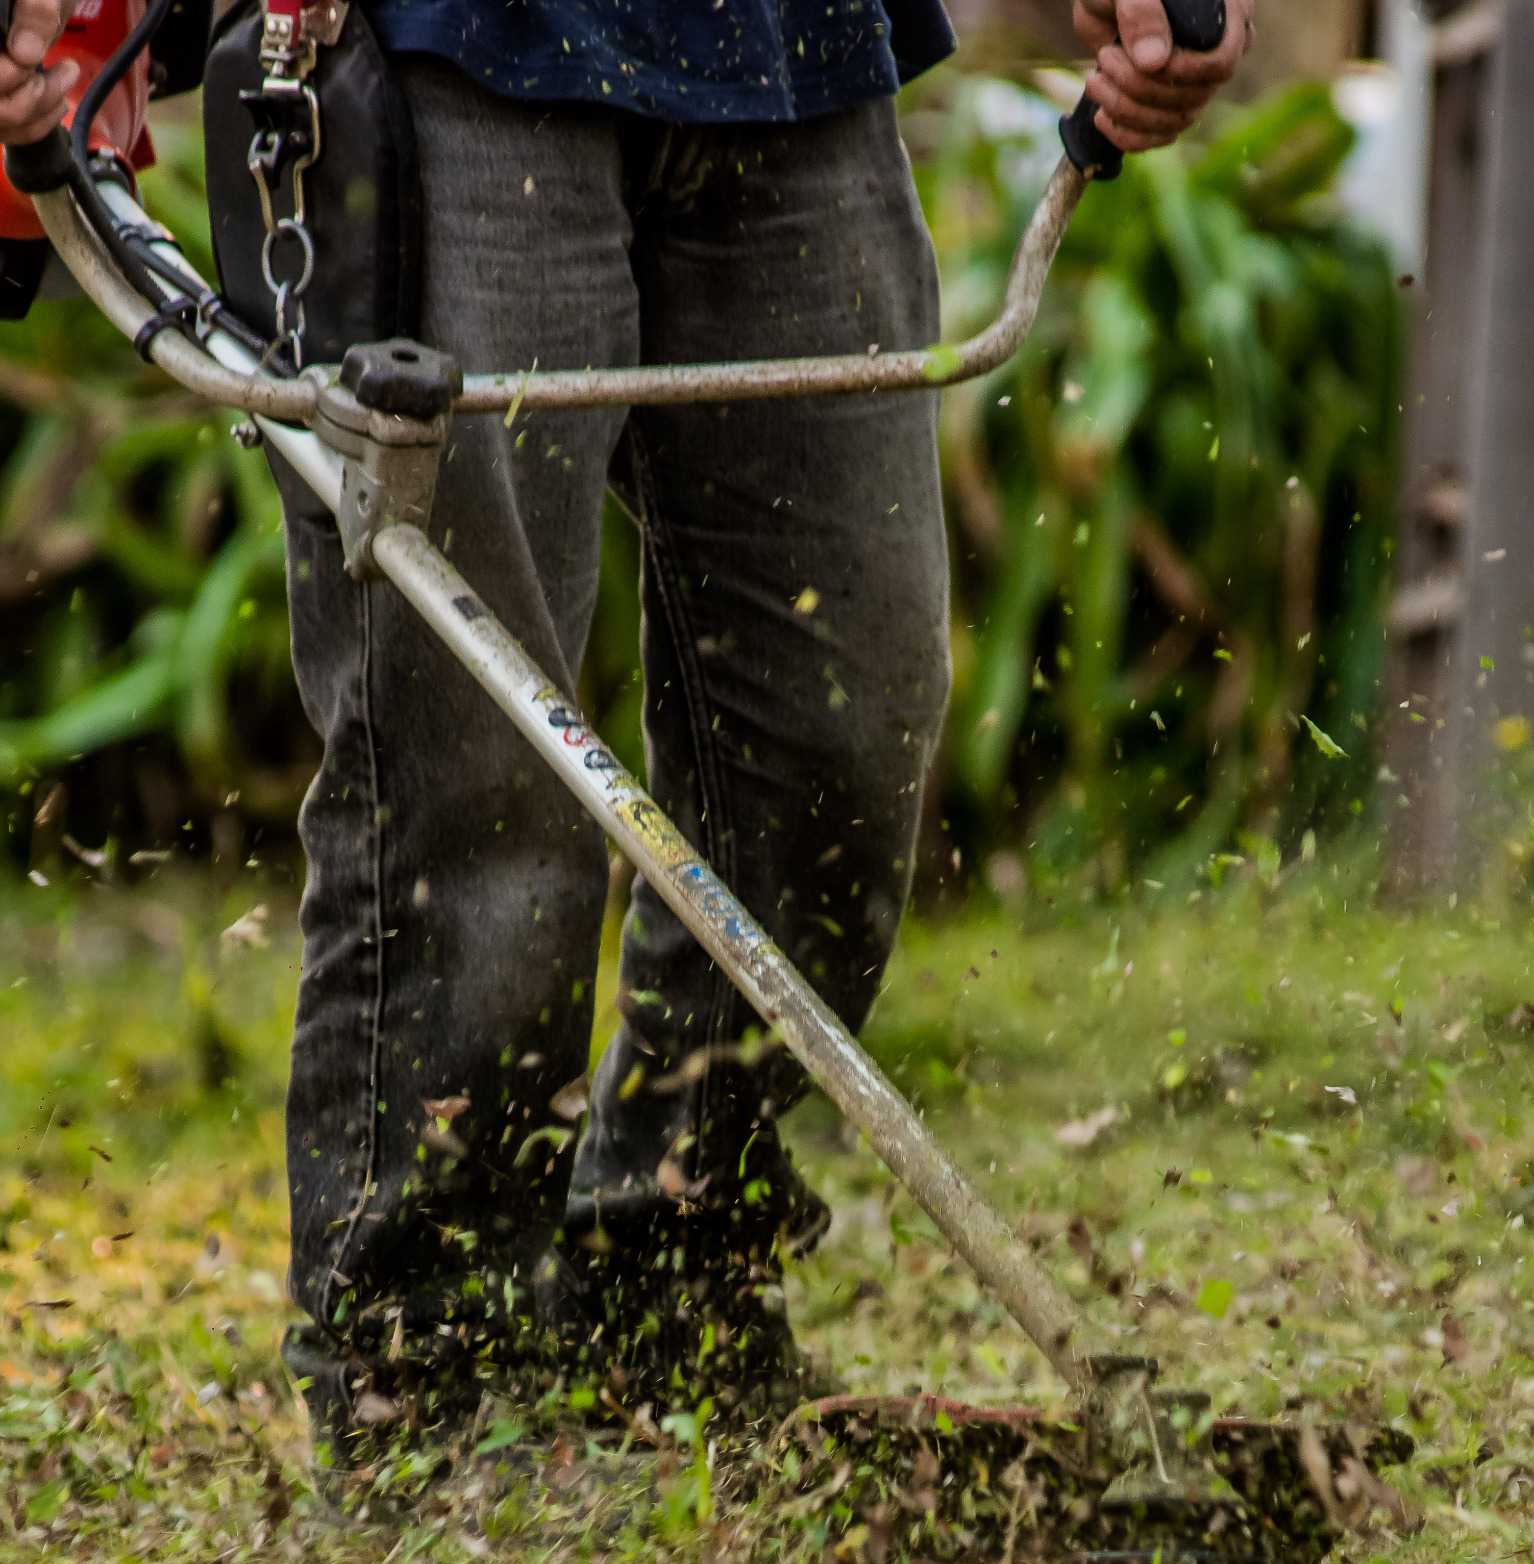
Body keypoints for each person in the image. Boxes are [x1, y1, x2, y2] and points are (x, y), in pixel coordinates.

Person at [2, 0, 1252, 1472]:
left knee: (839, 723)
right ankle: (432, 1385)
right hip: (440, 52)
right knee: (477, 779)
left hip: (796, 55)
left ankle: (669, 1289)